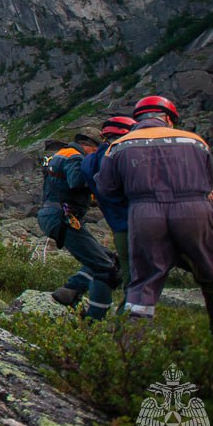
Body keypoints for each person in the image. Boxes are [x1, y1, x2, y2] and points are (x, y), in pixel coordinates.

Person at [97, 95, 213, 340]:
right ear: (170, 119)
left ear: (138, 119)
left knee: (143, 283)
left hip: (144, 213)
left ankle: (127, 347)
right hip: (194, 210)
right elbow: (207, 182)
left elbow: (106, 187)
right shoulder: (194, 141)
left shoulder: (119, 145)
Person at [39, 133, 121, 320]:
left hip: (54, 214)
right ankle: (94, 320)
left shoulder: (58, 155)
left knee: (105, 257)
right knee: (106, 268)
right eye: (94, 151)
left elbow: (63, 186)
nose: (94, 156)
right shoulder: (75, 156)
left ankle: (70, 290)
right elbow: (76, 182)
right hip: (63, 217)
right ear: (87, 145)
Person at [80, 115, 137, 296]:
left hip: (119, 227)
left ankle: (124, 317)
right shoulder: (128, 154)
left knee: (130, 278)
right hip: (147, 221)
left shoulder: (89, 162)